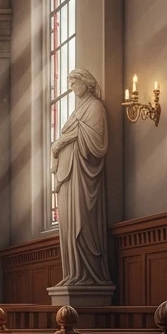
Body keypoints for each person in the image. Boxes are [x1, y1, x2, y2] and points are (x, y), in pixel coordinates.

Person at [51, 67, 111, 286]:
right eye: (69, 82)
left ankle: (85, 274)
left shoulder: (95, 106)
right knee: (67, 221)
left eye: (74, 81)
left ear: (87, 83)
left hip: (82, 175)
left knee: (82, 219)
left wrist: (61, 142)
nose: (71, 86)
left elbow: (96, 142)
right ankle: (72, 273)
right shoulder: (77, 110)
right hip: (68, 172)